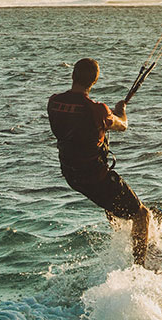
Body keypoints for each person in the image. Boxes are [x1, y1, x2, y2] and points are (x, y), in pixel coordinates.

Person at [47, 57, 153, 265]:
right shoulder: (99, 110)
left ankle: (123, 238)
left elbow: (78, 124)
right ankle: (140, 267)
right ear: (94, 81)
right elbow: (121, 125)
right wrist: (120, 110)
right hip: (94, 176)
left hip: (71, 175)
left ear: (72, 76)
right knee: (142, 214)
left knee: (109, 202)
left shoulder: (54, 102)